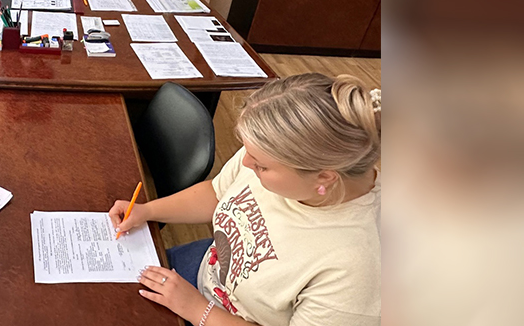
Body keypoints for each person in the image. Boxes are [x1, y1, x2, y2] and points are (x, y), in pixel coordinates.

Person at [111, 74, 381, 326]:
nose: (246, 163)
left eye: (262, 166)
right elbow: (216, 193)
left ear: (324, 177)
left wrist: (197, 309)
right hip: (208, 271)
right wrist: (147, 211)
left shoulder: (358, 267)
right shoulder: (271, 154)